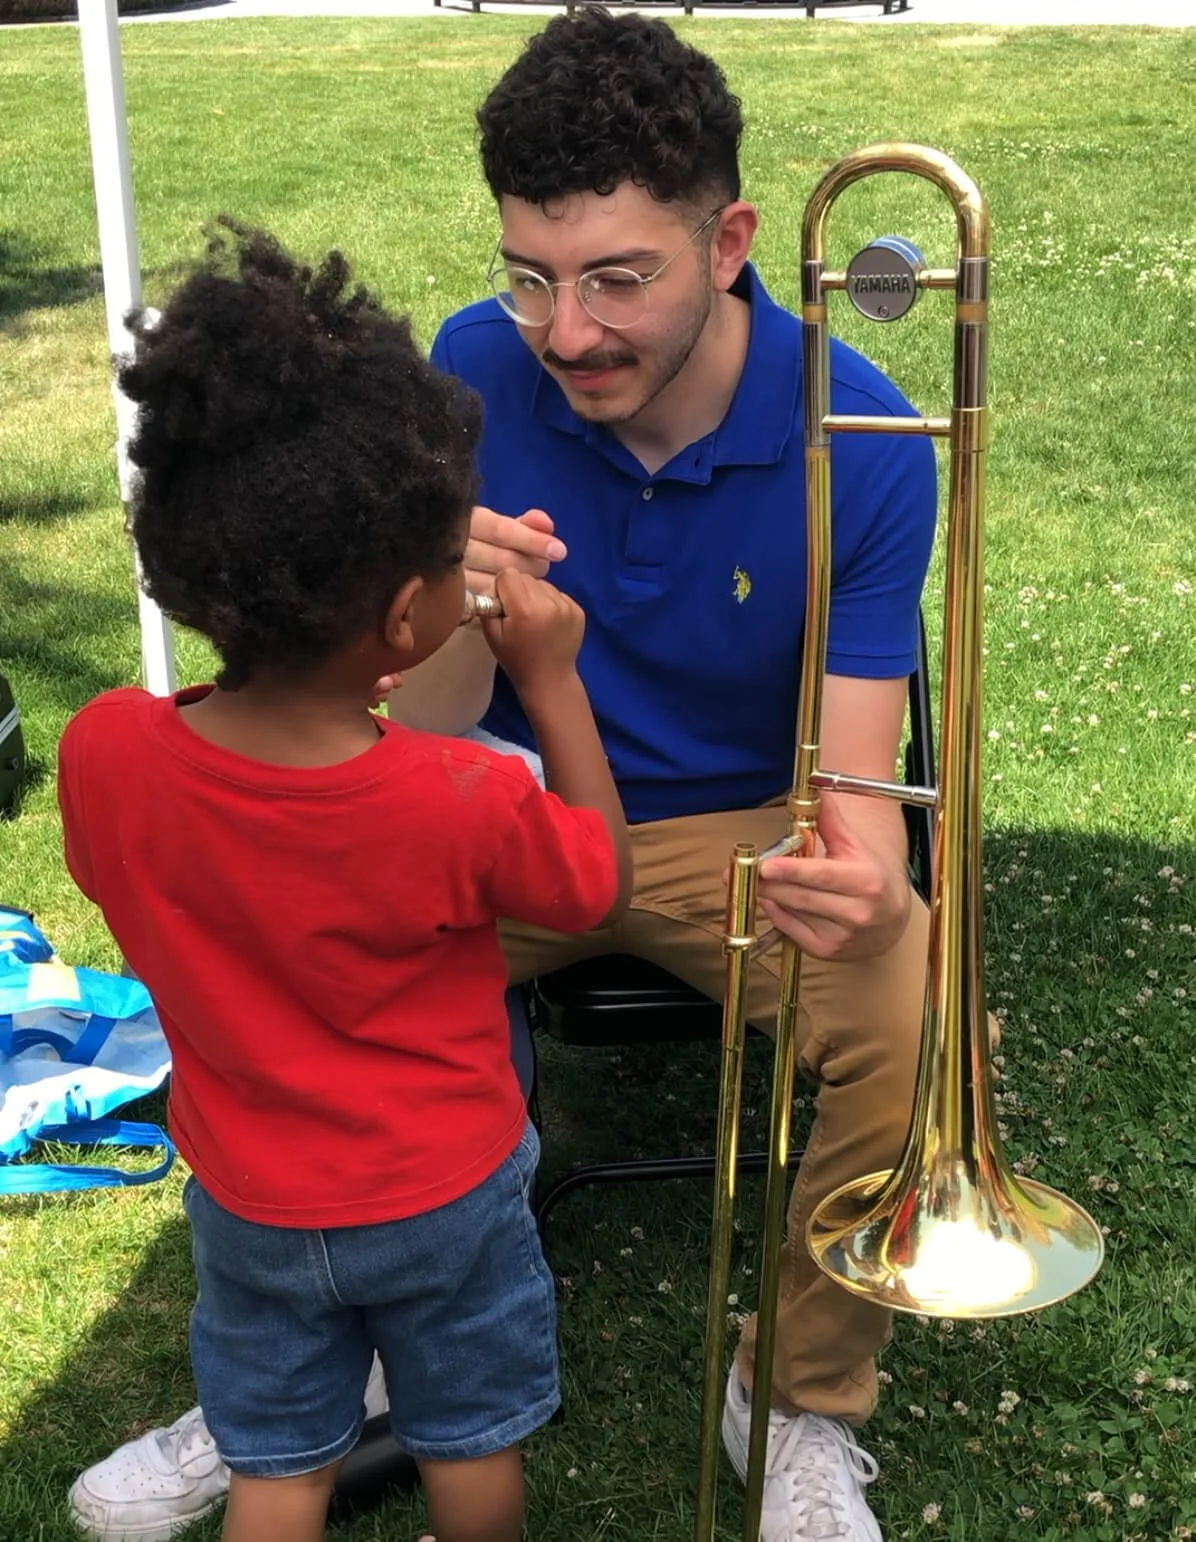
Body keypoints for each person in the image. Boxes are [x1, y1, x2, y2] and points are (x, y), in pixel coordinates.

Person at [68, 11, 940, 1542]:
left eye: (617, 278)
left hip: (737, 825)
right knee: (289, 940)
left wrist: (864, 880)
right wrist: (460, 610)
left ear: (730, 241)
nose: (566, 331)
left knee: (908, 1000)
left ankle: (800, 1394)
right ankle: (327, 1366)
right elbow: (406, 709)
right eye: (530, 275)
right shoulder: (474, 364)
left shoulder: (860, 434)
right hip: (485, 806)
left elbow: (858, 786)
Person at [57, 218, 631, 1542]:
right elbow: (594, 882)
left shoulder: (105, 751)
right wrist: (549, 679)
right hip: (446, 1194)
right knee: (469, 1439)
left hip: (250, 1202)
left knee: (278, 1465)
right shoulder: (462, 796)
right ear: (405, 619)